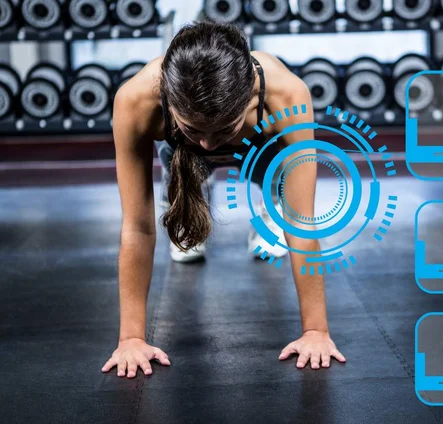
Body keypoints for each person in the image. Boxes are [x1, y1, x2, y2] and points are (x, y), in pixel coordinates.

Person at [101, 21, 346, 378]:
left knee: (281, 207)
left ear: (248, 96)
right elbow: (137, 227)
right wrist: (131, 339)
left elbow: (301, 221)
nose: (210, 145)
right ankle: (189, 188)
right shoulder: (136, 100)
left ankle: (266, 201)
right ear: (170, 102)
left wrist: (316, 331)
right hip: (180, 154)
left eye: (223, 130)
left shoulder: (286, 95)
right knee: (185, 237)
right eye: (195, 128)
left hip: (260, 146)